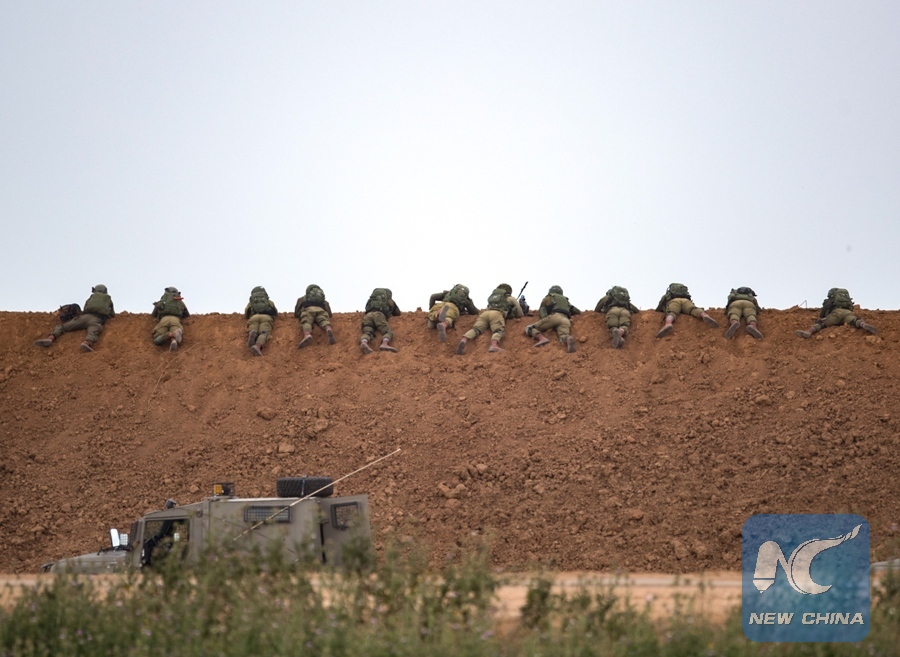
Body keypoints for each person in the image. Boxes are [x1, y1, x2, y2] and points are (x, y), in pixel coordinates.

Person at [34, 284, 115, 352]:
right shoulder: (108, 299)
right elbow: (112, 314)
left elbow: (85, 307)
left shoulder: (92, 297)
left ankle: (51, 338)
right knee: (93, 333)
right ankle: (86, 343)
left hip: (84, 317)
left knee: (63, 327)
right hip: (96, 320)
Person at [456, 284, 524, 354]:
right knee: (498, 330)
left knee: (476, 329)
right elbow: (520, 313)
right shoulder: (510, 298)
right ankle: (494, 345)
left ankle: (464, 339)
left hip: (485, 314)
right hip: (496, 314)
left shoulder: (493, 298)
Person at [796, 288, 878, 338]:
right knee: (855, 320)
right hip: (847, 313)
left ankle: (809, 331)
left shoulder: (830, 300)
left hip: (836, 314)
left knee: (822, 323)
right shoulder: (846, 300)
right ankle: (863, 324)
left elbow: (823, 314)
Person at [525, 285, 581, 353]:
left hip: (554, 317)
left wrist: (545, 320)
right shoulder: (566, 301)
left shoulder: (549, 297)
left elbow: (542, 310)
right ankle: (567, 338)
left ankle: (542, 338)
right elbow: (577, 311)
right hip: (566, 320)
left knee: (529, 328)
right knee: (562, 336)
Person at [654, 283, 719, 338]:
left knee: (672, 312)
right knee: (693, 310)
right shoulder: (685, 295)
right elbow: (692, 305)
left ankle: (668, 324)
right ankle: (704, 315)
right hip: (686, 301)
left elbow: (660, 305)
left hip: (674, 302)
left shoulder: (668, 295)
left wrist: (658, 311)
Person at [359, 288, 401, 354]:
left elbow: (366, 308)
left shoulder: (371, 300)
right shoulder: (390, 301)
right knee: (388, 332)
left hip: (368, 316)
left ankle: (364, 342)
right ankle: (384, 344)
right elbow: (398, 313)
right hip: (379, 316)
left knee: (367, 332)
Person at [294, 284, 335, 348]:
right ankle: (328, 329)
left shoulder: (302, 299)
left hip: (308, 310)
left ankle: (307, 335)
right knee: (323, 320)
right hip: (321, 310)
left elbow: (296, 312)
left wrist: (299, 314)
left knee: (307, 322)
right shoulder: (323, 300)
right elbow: (329, 314)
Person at [152, 287, 190, 351]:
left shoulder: (162, 301)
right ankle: (174, 340)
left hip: (164, 320)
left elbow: (153, 315)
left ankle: (170, 334)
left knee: (156, 340)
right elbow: (187, 314)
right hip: (176, 320)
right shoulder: (180, 302)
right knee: (176, 331)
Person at [245, 286, 278, 357]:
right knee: (264, 333)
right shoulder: (269, 302)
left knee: (253, 328)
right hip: (266, 318)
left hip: (254, 317)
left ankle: (252, 333)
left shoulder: (251, 303)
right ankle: (257, 346)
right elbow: (275, 313)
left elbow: (246, 313)